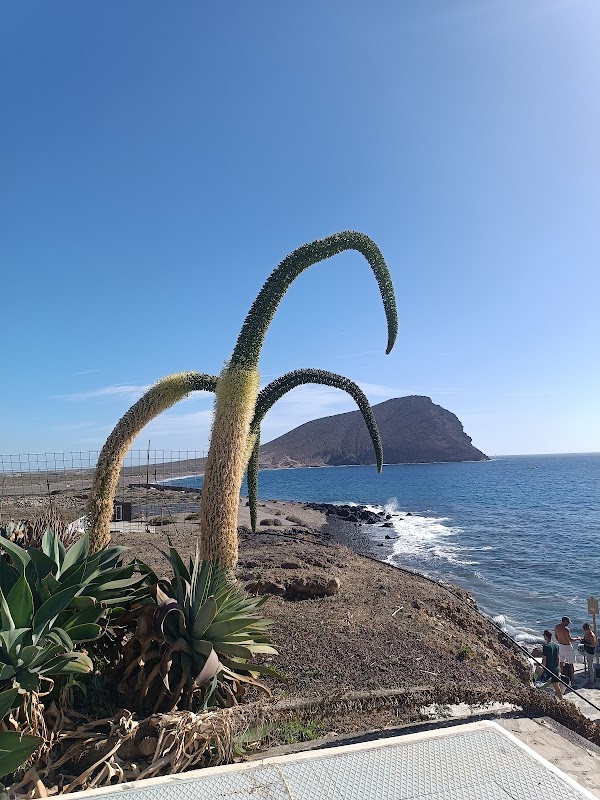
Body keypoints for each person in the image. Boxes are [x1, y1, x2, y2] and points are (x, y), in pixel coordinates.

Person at [538, 629, 563, 700]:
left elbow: (544, 661)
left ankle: (543, 698)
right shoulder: (556, 645)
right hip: (555, 669)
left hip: (548, 670)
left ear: (545, 636)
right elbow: (558, 658)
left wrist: (540, 669)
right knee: (557, 687)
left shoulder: (546, 646)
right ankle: (561, 700)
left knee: (539, 684)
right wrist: (558, 668)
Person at [555, 616, 580, 684]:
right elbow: (570, 640)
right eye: (568, 622)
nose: (568, 624)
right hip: (567, 647)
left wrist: (560, 640)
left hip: (560, 645)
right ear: (564, 621)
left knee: (561, 662)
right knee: (571, 663)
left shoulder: (556, 627)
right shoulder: (566, 629)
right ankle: (572, 679)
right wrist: (577, 638)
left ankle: (561, 677)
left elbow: (556, 636)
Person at [582, 622, 597, 687]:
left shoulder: (591, 635)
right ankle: (592, 678)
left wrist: (585, 644)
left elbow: (593, 645)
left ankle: (592, 681)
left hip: (591, 651)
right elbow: (585, 640)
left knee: (590, 667)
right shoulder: (586, 633)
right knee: (589, 665)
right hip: (587, 650)